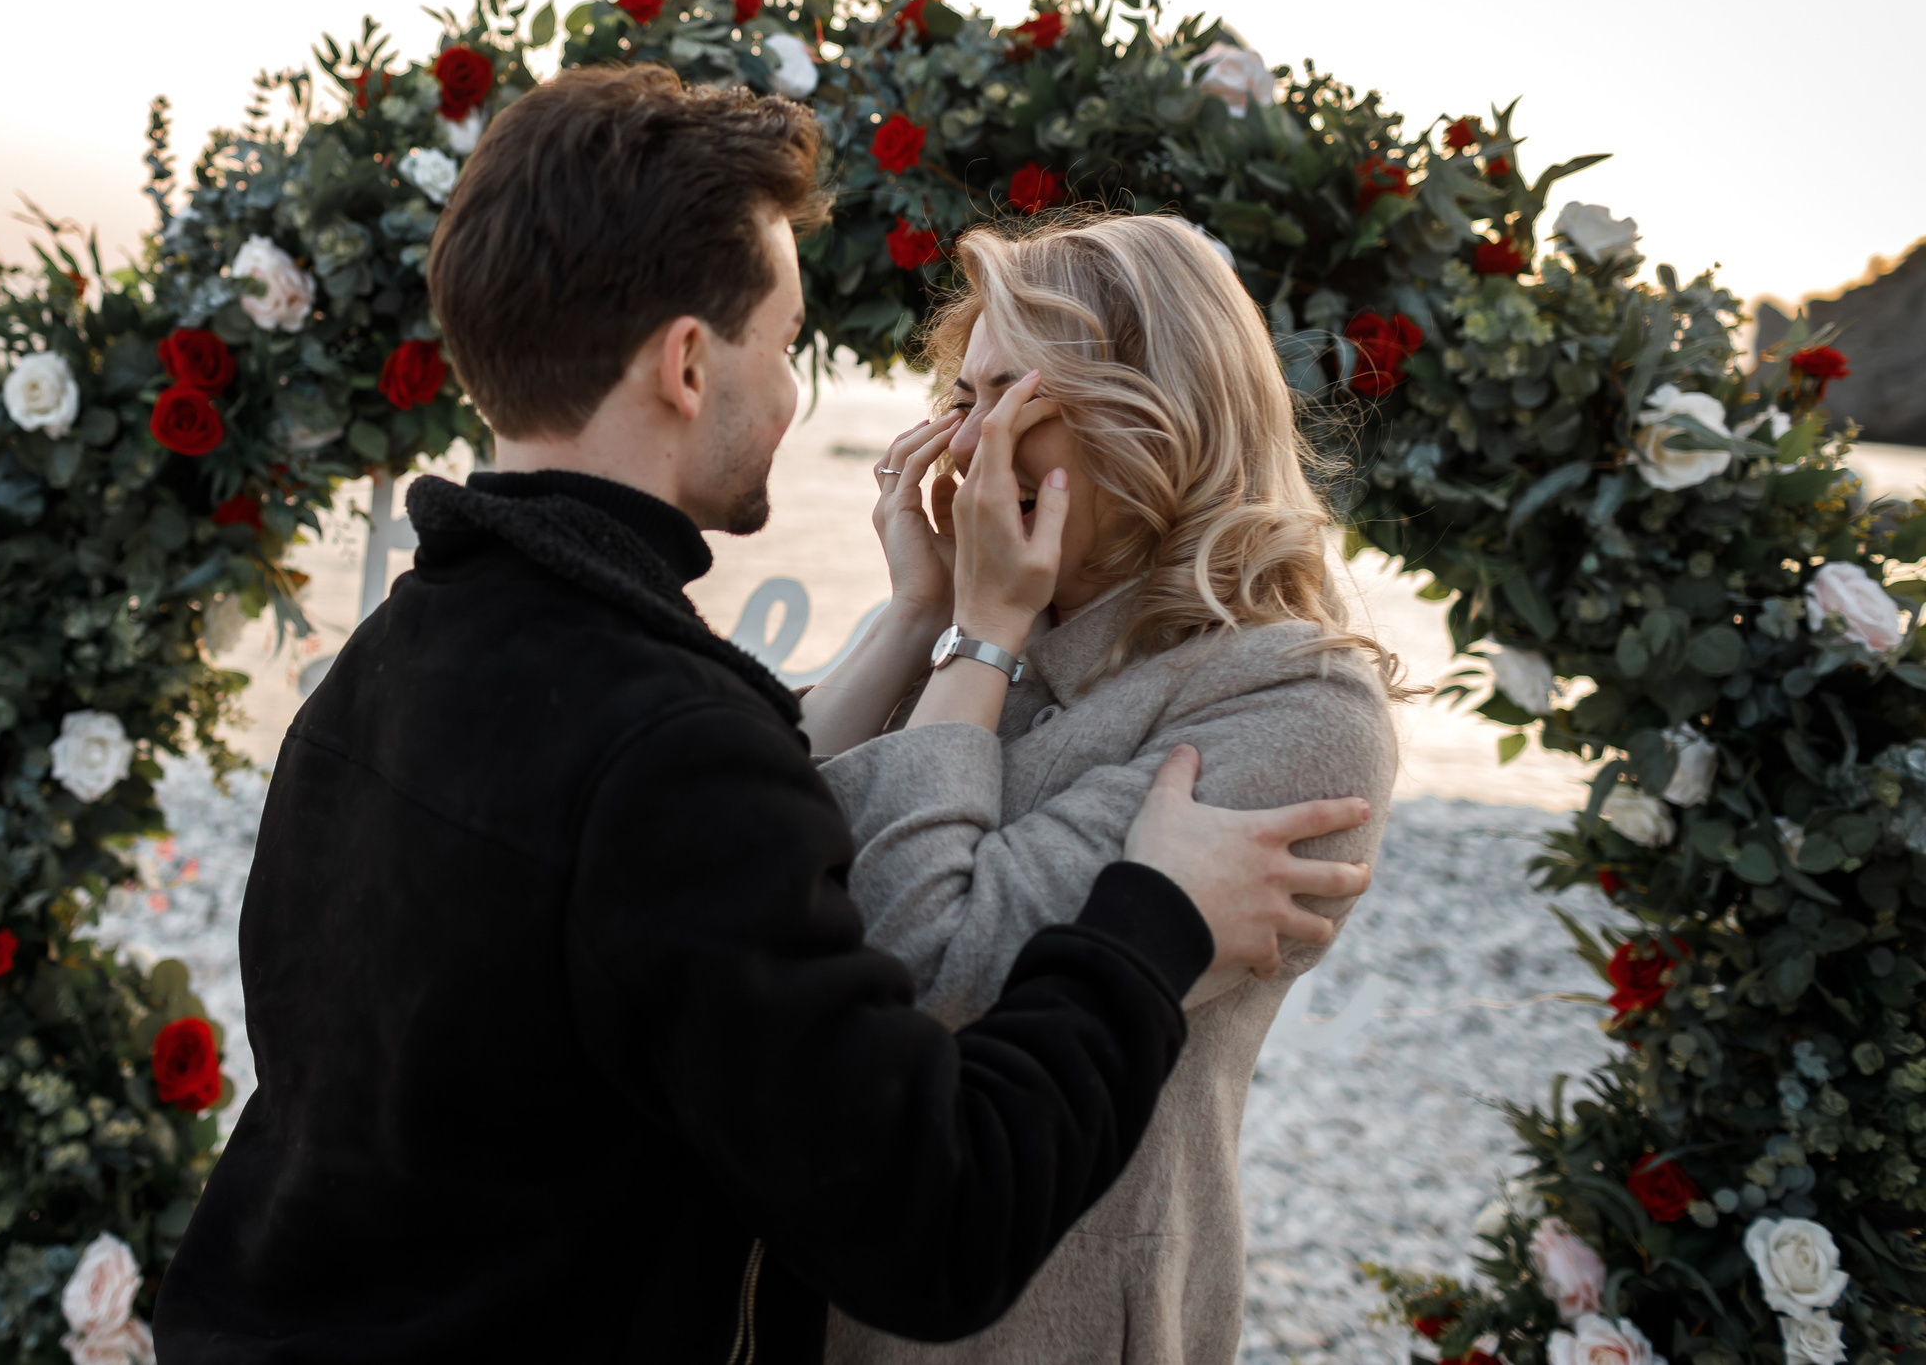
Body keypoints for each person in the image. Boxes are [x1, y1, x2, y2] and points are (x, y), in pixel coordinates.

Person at [151, 68, 1375, 1364]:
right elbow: (919, 1146)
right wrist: (1134, 885)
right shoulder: (667, 736)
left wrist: (928, 620)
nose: (943, 440)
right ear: (688, 361)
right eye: (787, 348)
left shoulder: (387, 659)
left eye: (996, 398)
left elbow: (749, 840)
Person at [798, 210, 1405, 1364]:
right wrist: (918, 615)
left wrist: (978, 637)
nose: (960, 450)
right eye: (957, 402)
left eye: (1003, 405)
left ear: (1146, 417)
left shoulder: (1297, 708)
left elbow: (928, 976)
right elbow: (749, 868)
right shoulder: (1004, 631)